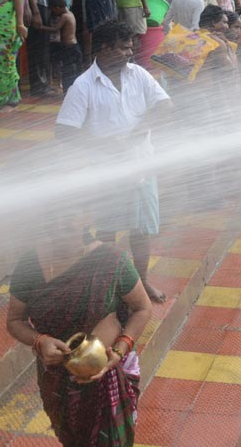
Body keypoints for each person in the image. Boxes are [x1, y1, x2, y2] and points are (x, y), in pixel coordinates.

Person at [5, 202, 152, 446]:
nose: (59, 224)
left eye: (69, 215)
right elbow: (14, 320)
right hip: (58, 378)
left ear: (88, 217)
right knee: (72, 438)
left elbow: (142, 308)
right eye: (52, 215)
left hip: (109, 374)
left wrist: (119, 350)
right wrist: (40, 341)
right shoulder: (29, 265)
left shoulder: (111, 260)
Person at [55, 21, 172, 303]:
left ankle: (141, 283)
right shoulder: (83, 85)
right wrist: (105, 144)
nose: (129, 52)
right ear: (105, 49)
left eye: (130, 46)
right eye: (123, 47)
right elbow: (64, 131)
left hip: (142, 166)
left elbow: (166, 106)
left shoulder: (139, 75)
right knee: (107, 232)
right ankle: (107, 287)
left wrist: (139, 129)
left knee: (142, 230)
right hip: (106, 173)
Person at [41, 0, 81, 91]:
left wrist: (41, 27)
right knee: (73, 71)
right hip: (74, 46)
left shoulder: (64, 16)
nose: (54, 13)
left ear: (57, 8)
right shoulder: (71, 14)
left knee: (68, 72)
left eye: (53, 10)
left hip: (69, 48)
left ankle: (68, 91)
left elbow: (55, 29)